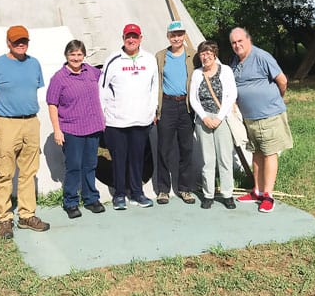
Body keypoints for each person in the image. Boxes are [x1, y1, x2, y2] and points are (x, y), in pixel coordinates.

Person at [0, 25, 50, 238]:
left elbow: (31, 90)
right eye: (16, 41)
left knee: (29, 172)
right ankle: (4, 219)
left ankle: (27, 214)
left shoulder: (34, 64)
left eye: (24, 41)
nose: (21, 44)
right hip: (6, 123)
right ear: (8, 43)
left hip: (30, 122)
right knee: (5, 173)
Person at [229, 27, 293, 213]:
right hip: (249, 117)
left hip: (269, 115)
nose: (237, 45)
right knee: (256, 153)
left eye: (240, 41)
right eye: (233, 42)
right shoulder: (235, 61)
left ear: (248, 40)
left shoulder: (261, 56)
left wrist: (273, 99)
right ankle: (256, 190)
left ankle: (268, 195)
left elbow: (282, 80)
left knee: (269, 153)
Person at [99, 23, 158, 210]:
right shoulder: (113, 60)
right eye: (127, 37)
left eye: (134, 36)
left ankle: (137, 193)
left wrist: (151, 111)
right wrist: (105, 112)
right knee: (118, 159)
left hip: (141, 120)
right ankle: (119, 194)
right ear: (123, 38)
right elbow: (102, 89)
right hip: (117, 121)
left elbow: (154, 87)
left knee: (137, 158)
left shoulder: (149, 60)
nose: (131, 40)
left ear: (141, 38)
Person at [47, 40, 106, 219]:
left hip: (92, 126)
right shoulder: (59, 77)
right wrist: (57, 129)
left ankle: (91, 198)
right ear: (66, 56)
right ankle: (71, 202)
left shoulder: (91, 72)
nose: (76, 58)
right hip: (72, 129)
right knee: (73, 166)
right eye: (72, 54)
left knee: (90, 165)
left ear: (84, 56)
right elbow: (52, 104)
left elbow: (109, 77)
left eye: (79, 54)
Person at [189, 40, 238, 210]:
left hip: (221, 117)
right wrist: (204, 117)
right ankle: (208, 194)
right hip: (203, 119)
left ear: (215, 54)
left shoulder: (225, 71)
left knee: (224, 157)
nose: (206, 56)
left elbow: (231, 95)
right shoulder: (197, 74)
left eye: (209, 53)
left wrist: (219, 117)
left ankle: (227, 194)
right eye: (203, 53)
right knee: (207, 159)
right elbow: (193, 98)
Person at [155, 20, 197, 205]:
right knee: (164, 148)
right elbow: (155, 81)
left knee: (186, 148)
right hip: (167, 104)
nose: (177, 38)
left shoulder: (193, 56)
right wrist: (156, 109)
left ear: (184, 35)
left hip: (186, 106)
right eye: (173, 35)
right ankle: (163, 189)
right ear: (168, 36)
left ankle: (185, 188)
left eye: (179, 34)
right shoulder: (160, 56)